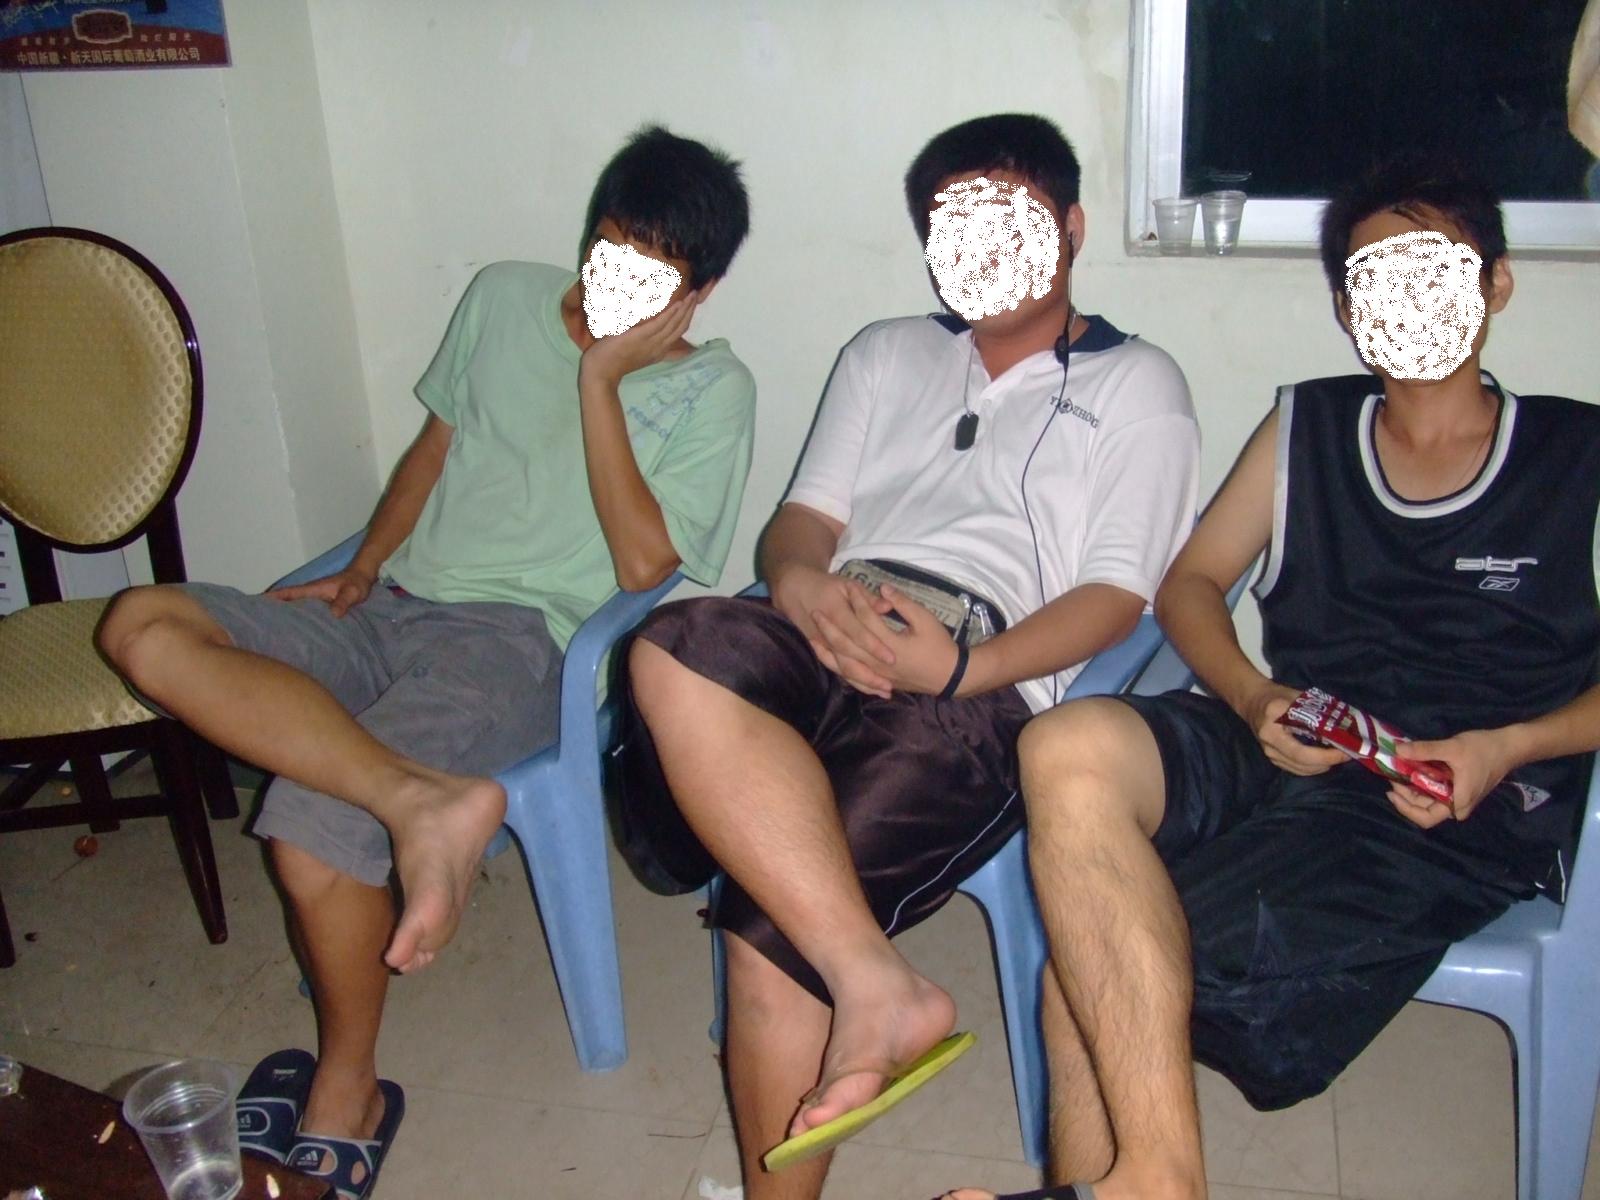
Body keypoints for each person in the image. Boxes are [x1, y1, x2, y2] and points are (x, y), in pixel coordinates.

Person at [97, 125, 755, 1198]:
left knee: (309, 830)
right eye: (610, 251)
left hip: (518, 646)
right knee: (143, 623)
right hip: (392, 605)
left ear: (701, 292)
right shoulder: (501, 296)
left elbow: (645, 565)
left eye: (654, 276)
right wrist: (359, 569)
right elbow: (434, 451)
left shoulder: (712, 392)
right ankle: (417, 801)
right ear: (590, 231)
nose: (616, 287)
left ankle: (348, 1086)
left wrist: (599, 381)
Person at [941, 156, 1600, 1200]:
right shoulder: (1308, 425)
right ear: (1345, 306)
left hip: (1449, 805)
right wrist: (1251, 696)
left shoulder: (1577, 451)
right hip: (1288, 739)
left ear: (1496, 285)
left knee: (1091, 970)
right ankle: (1155, 1179)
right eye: (1374, 279)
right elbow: (1191, 583)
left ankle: (1140, 1180)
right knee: (1064, 743)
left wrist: (1506, 747)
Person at [623, 113, 1199, 1200]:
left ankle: (829, 1026)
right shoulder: (885, 351)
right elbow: (803, 522)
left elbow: (1118, 599)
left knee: (772, 922)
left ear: (1072, 229)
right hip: (832, 616)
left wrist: (964, 670)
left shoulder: (1139, 384)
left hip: (979, 675)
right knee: (670, 643)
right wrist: (800, 584)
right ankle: (875, 982)